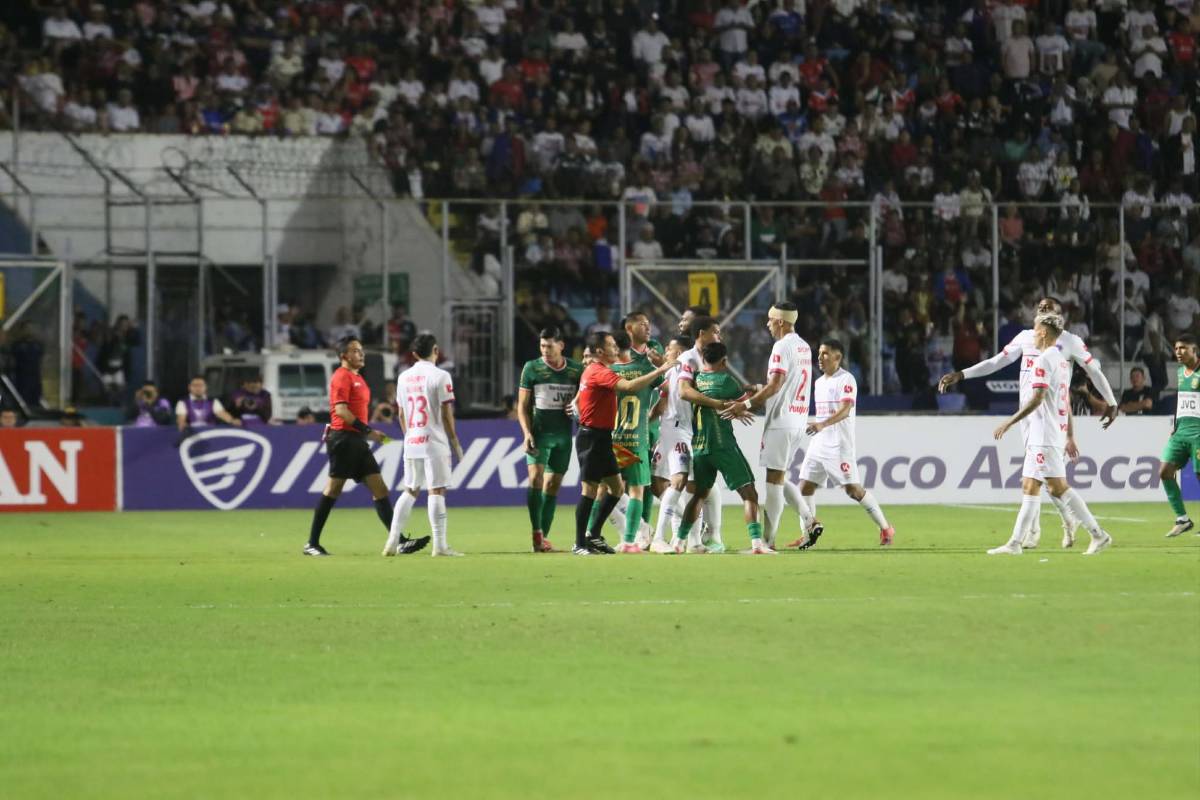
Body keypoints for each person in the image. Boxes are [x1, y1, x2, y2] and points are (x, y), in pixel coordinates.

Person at [938, 296, 1119, 549]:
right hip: (1030, 421)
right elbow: (996, 362)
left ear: (1056, 317)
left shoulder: (1068, 343)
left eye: (1048, 308)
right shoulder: (1026, 337)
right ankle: (1026, 537)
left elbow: (1091, 374)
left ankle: (1084, 529)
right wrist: (962, 374)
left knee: (1053, 484)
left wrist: (1110, 401)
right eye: (1040, 307)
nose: (1042, 309)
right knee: (1033, 481)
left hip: (1047, 420)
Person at [988, 314, 1113, 556]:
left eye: (1035, 330)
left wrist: (1010, 422)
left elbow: (1038, 398)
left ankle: (1098, 534)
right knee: (1030, 485)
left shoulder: (1044, 360)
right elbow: (1062, 398)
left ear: (1043, 333)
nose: (1032, 334)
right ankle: (1015, 543)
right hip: (1048, 431)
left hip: (1044, 433)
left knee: (1058, 487)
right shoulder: (1061, 360)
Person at [305, 337, 429, 557]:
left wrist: (366, 433)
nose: (360, 354)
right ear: (344, 355)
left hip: (356, 441)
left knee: (379, 489)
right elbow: (341, 411)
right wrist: (369, 432)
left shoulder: (358, 378)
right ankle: (312, 543)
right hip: (343, 439)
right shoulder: (341, 377)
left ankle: (398, 541)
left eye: (361, 350)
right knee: (333, 489)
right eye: (355, 351)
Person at [572, 331, 675, 555]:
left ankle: (594, 535)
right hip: (591, 437)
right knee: (589, 490)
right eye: (610, 346)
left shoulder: (598, 370)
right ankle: (579, 543)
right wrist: (660, 369)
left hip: (603, 438)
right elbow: (628, 387)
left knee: (617, 488)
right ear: (600, 351)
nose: (615, 349)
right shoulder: (598, 372)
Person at [733, 302, 820, 548]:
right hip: (798, 419)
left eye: (770, 319)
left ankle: (768, 542)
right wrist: (758, 389)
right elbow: (787, 385)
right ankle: (809, 519)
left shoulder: (781, 347)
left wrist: (747, 404)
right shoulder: (803, 346)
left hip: (781, 421)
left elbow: (776, 385)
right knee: (779, 476)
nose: (768, 324)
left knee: (773, 481)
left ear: (781, 321)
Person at [796, 340, 896, 548]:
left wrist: (822, 424)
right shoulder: (819, 382)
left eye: (825, 354)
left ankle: (886, 528)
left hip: (839, 445)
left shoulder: (846, 379)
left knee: (853, 490)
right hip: (818, 443)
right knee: (804, 487)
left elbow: (845, 410)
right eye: (819, 353)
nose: (820, 358)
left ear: (837, 357)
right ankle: (808, 534)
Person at [675, 342, 768, 554]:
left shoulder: (695, 380)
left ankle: (679, 542)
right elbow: (747, 405)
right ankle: (757, 545)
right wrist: (756, 392)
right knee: (749, 493)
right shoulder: (727, 381)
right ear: (724, 361)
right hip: (723, 445)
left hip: (699, 447)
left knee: (699, 495)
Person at [384, 334, 465, 557]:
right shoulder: (441, 376)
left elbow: (400, 413)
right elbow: (447, 415)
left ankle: (392, 541)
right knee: (436, 490)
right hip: (434, 441)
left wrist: (410, 437)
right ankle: (440, 545)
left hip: (412, 440)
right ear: (436, 350)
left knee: (410, 490)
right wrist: (455, 442)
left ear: (414, 354)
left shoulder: (403, 377)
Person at [595, 330, 664, 553]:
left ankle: (589, 534)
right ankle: (629, 541)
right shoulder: (647, 370)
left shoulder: (609, 371)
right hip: (637, 438)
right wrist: (652, 414)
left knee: (603, 490)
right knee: (636, 491)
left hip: (613, 438)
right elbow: (668, 390)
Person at [516, 327, 583, 553]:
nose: (545, 350)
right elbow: (522, 406)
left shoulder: (576, 370)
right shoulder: (531, 368)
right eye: (542, 346)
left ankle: (543, 538)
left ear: (561, 345)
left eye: (549, 346)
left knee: (553, 485)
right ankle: (537, 533)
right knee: (535, 478)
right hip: (539, 435)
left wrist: (576, 404)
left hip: (564, 437)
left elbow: (585, 397)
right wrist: (526, 433)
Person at [673, 312, 730, 552]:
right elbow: (685, 392)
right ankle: (691, 540)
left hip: (697, 427)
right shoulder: (689, 359)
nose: (719, 335)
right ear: (701, 334)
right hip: (684, 427)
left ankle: (702, 537)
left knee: (702, 484)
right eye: (715, 332)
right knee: (691, 485)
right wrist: (716, 403)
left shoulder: (707, 357)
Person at [648, 334, 694, 553]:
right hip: (665, 431)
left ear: (679, 352)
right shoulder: (670, 371)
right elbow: (662, 402)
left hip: (680, 432)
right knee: (656, 483)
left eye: (669, 347)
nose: (666, 349)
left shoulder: (689, 367)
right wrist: (646, 420)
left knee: (677, 482)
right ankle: (689, 527)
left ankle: (660, 537)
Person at [1162, 335, 1200, 538]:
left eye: (1183, 348)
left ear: (1194, 350)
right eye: (1176, 348)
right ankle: (1182, 519)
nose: (1178, 351)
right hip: (1181, 431)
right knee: (1164, 471)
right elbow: (1183, 400)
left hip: (1199, 433)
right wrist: (1176, 425)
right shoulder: (1179, 372)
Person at [175, 376, 240, 431]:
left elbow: (221, 413)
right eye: (195, 385)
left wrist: (232, 420)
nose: (198, 388)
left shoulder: (213, 401)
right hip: (191, 433)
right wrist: (182, 423)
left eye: (201, 385)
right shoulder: (182, 402)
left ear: (206, 387)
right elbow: (181, 418)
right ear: (189, 387)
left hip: (210, 433)